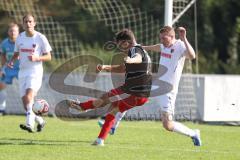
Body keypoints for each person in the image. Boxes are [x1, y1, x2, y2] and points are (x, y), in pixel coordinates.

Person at [68, 28, 152, 146]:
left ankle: (82, 107)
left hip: (133, 90)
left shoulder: (135, 50)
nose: (121, 49)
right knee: (113, 110)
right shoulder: (140, 50)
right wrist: (105, 67)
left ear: (126, 42)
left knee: (105, 99)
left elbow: (137, 58)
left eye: (121, 46)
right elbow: (123, 68)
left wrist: (131, 60)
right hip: (143, 94)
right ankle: (100, 140)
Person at [143, 26, 201, 146]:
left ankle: (193, 133)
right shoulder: (164, 45)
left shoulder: (180, 46)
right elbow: (158, 47)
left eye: (164, 38)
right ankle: (112, 123)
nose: (162, 41)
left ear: (172, 37)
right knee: (134, 94)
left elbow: (192, 56)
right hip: (157, 85)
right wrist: (142, 48)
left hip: (168, 91)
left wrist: (184, 38)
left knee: (168, 125)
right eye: (161, 38)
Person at [8, 14, 52, 132]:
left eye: (30, 22)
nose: (28, 24)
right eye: (26, 22)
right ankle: (41, 121)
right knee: (26, 103)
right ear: (23, 24)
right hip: (22, 72)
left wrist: (37, 58)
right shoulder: (20, 38)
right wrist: (12, 61)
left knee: (29, 96)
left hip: (35, 71)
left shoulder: (40, 37)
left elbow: (49, 56)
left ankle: (29, 124)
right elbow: (17, 53)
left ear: (34, 23)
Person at [0, 23, 20, 115]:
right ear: (8, 32)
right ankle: (1, 109)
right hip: (8, 69)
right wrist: (2, 68)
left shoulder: (21, 42)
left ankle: (32, 109)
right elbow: (3, 55)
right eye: (11, 31)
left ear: (18, 32)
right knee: (1, 86)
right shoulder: (4, 43)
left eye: (15, 31)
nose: (13, 32)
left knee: (27, 88)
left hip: (21, 69)